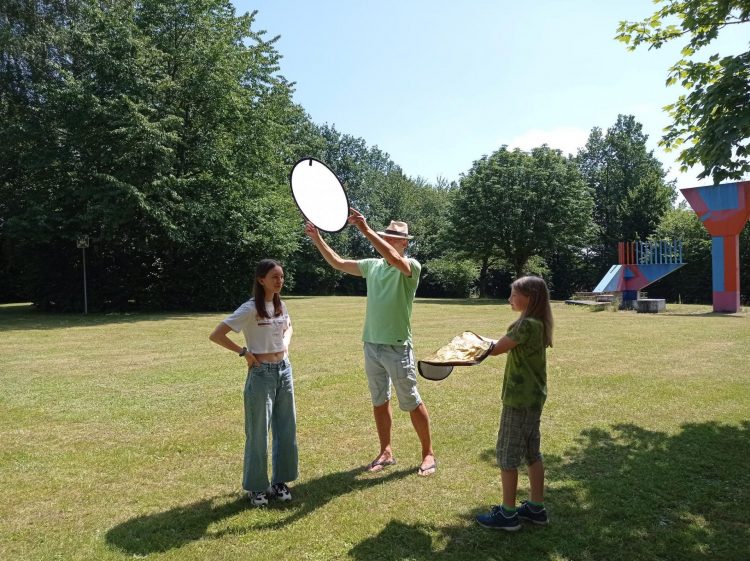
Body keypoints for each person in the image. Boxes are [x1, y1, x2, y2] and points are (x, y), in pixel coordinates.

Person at [305, 209, 436, 477]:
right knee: (379, 400)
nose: (388, 241)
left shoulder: (411, 267)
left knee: (410, 400)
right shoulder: (372, 266)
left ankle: (428, 454)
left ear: (404, 243)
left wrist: (366, 231)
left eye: (393, 238)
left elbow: (394, 258)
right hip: (371, 345)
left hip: (397, 346)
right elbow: (338, 263)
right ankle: (386, 451)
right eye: (386, 236)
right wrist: (317, 238)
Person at [208, 259, 298, 506]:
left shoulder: (281, 305)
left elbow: (288, 326)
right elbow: (217, 334)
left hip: (284, 371)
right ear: (261, 280)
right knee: (258, 432)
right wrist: (244, 352)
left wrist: (285, 345)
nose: (280, 281)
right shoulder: (250, 308)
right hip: (261, 374)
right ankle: (257, 487)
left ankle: (280, 481)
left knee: (286, 428)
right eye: (274, 277)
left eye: (281, 276)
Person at [476, 275, 553, 531]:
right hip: (533, 398)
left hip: (518, 401)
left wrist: (468, 346)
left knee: (507, 455)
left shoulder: (525, 325)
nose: (509, 299)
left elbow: (496, 349)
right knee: (532, 453)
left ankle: (508, 515)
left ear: (529, 298)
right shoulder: (537, 323)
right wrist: (478, 340)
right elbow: (500, 344)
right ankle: (536, 507)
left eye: (514, 295)